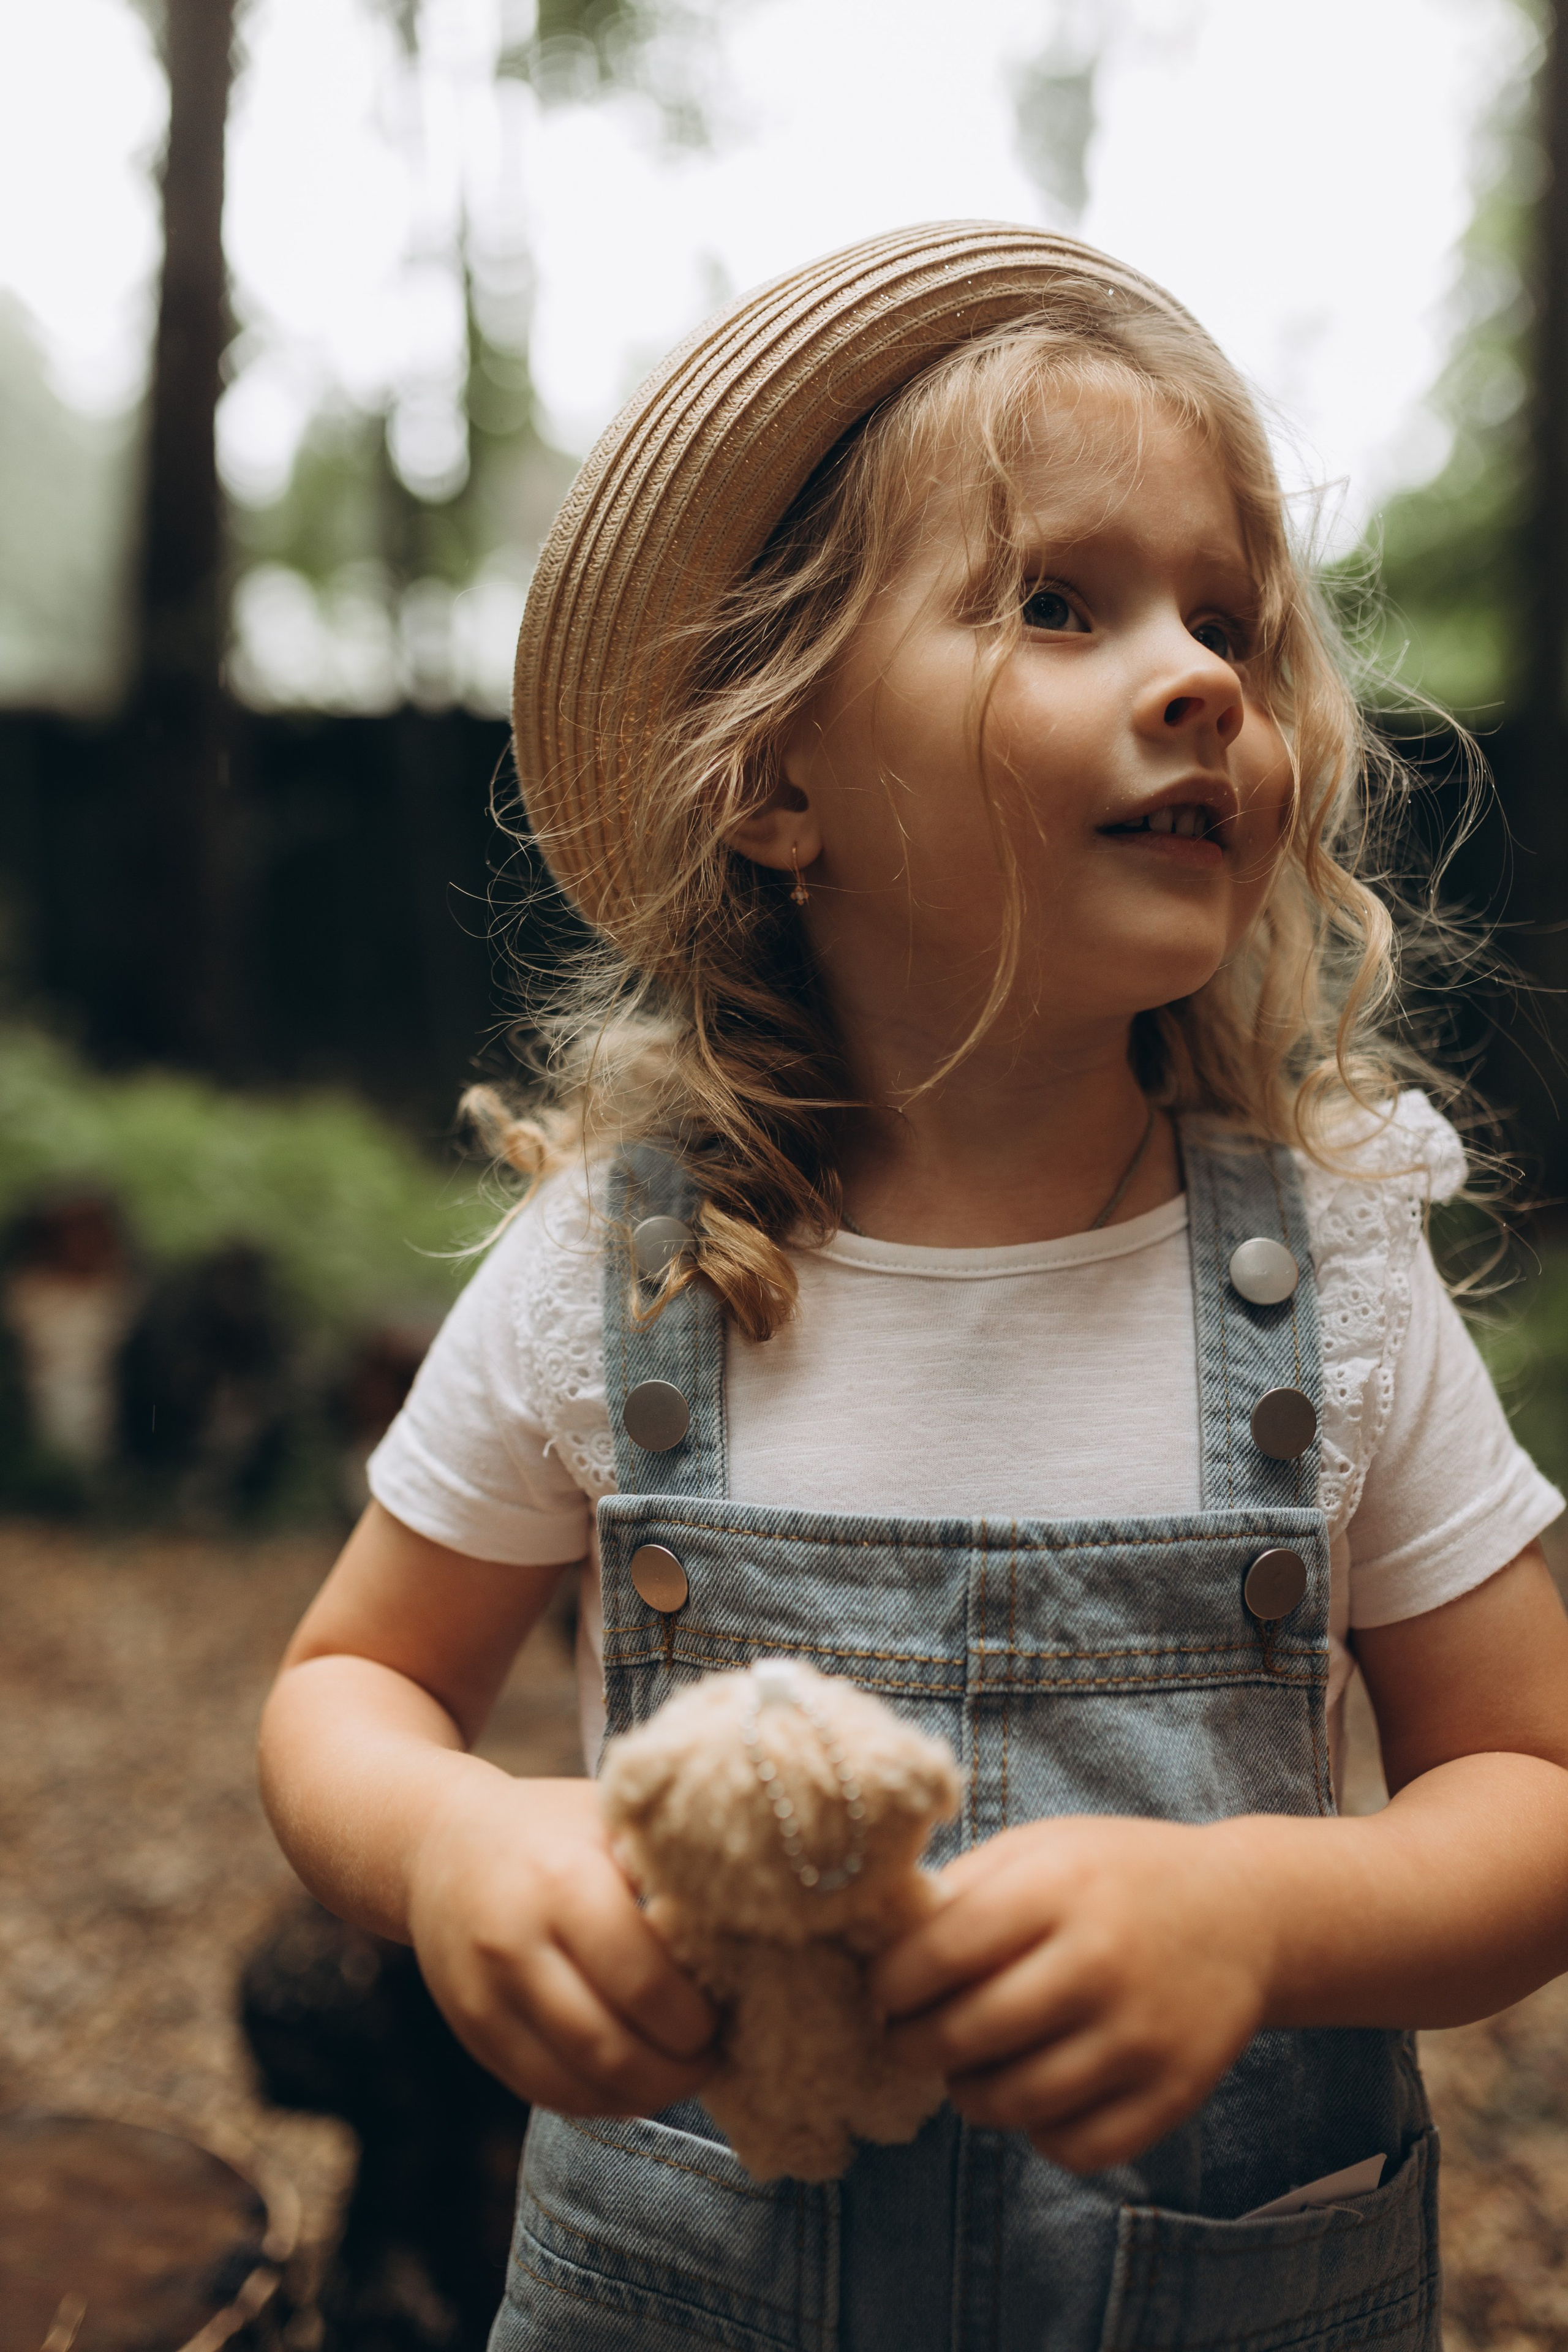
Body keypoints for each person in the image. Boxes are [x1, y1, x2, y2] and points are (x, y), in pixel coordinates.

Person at [259, 226, 1568, 2350]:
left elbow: (1534, 1786)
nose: (1203, 675)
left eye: (1225, 618)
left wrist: (1265, 1908)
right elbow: (347, 1690)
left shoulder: (1328, 1269)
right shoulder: (629, 1263)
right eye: (1059, 602)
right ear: (776, 783)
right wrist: (455, 1852)